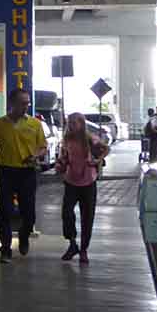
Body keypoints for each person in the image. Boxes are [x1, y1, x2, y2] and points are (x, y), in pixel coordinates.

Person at [0, 87, 48, 261]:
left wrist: (35, 155)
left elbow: (43, 147)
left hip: (27, 173)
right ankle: (5, 248)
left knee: (29, 213)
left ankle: (23, 236)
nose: (26, 106)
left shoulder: (34, 124)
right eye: (22, 103)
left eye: (27, 103)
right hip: (6, 171)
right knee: (5, 210)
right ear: (12, 104)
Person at [56, 111, 109, 265]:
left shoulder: (89, 139)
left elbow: (105, 148)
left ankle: (84, 249)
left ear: (81, 124)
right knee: (66, 213)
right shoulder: (66, 140)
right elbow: (64, 158)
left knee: (87, 217)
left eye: (74, 123)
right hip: (71, 181)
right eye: (69, 123)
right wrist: (60, 165)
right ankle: (72, 243)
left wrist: (97, 160)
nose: (71, 125)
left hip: (88, 182)